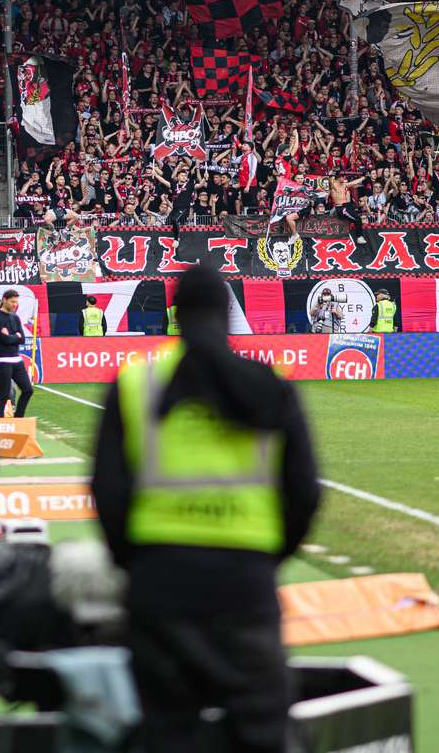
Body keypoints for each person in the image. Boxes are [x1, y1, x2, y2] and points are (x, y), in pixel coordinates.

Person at [92, 264, 322, 753]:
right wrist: (266, 556)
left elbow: (107, 491)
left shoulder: (136, 383)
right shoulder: (268, 384)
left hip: (161, 577)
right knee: (262, 731)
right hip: (245, 579)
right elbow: (303, 491)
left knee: (167, 732)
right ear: (226, 312)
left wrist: (136, 562)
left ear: (175, 314)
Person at [0, 290, 33, 419]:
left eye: (16, 302)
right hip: (2, 360)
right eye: (12, 301)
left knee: (28, 390)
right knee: (3, 395)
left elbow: (22, 338)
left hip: (16, 359)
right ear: (5, 300)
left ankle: (18, 417)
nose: (15, 304)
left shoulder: (15, 317)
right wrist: (14, 336)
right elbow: (4, 340)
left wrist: (11, 336)